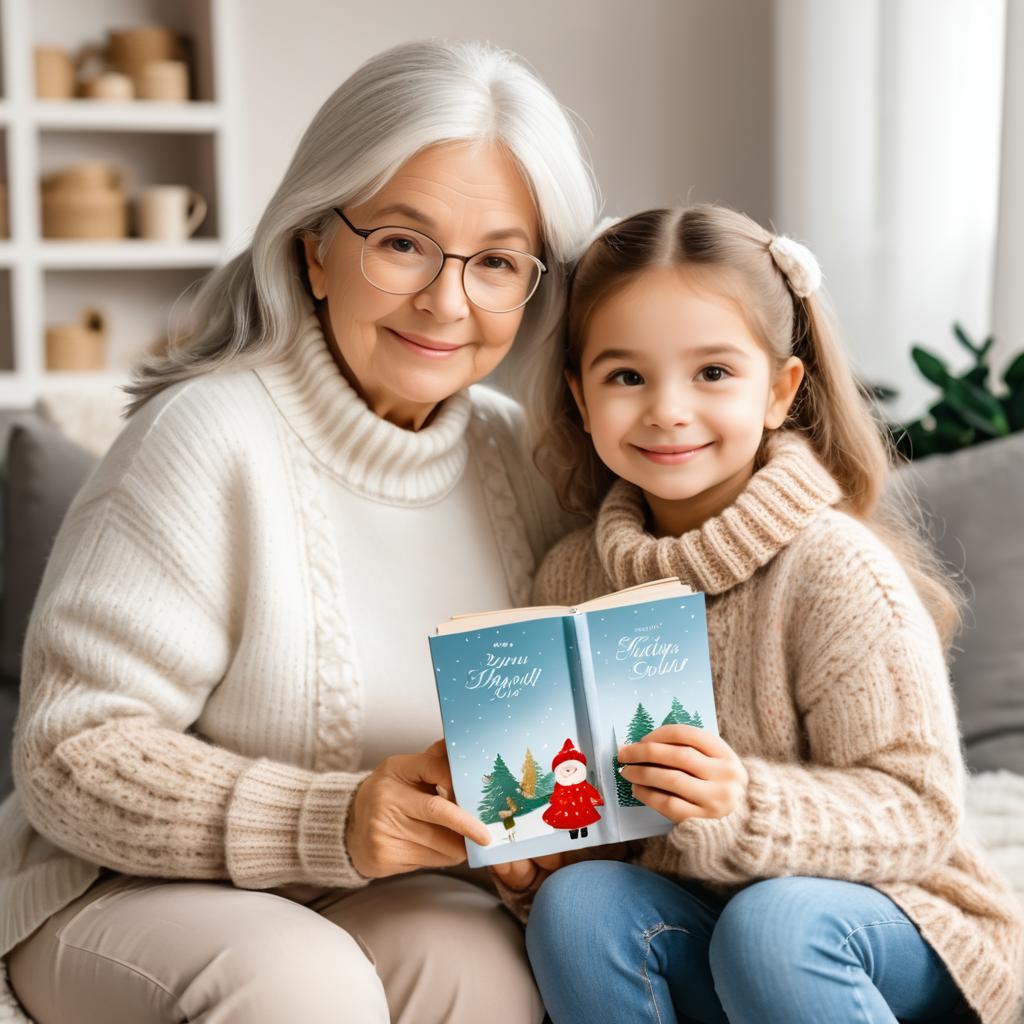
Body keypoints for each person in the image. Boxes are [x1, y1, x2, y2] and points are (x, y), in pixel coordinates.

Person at [0, 39, 599, 1024]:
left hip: (364, 892)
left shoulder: (524, 460)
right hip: (110, 884)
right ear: (314, 246)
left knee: (490, 970)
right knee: (298, 986)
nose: (447, 302)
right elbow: (72, 755)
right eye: (402, 242)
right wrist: (331, 819)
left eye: (496, 261)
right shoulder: (207, 438)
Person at [490, 205, 1024, 1024]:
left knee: (771, 924)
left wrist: (742, 805)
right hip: (709, 925)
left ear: (780, 391)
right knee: (580, 908)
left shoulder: (834, 570)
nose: (668, 409)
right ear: (580, 396)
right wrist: (541, 863)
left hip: (893, 924)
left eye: (712, 373)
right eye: (627, 376)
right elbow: (604, 823)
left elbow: (919, 811)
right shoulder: (571, 576)